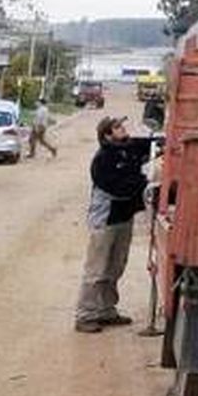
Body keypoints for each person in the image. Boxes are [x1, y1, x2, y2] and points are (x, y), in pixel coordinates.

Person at [74, 115, 156, 333]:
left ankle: (106, 310)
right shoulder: (103, 160)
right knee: (97, 269)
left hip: (123, 219)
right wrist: (144, 184)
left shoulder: (127, 150)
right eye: (118, 127)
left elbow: (148, 145)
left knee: (115, 267)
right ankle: (85, 315)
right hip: (105, 221)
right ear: (107, 135)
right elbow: (117, 188)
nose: (123, 129)